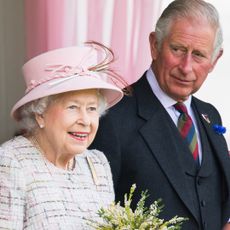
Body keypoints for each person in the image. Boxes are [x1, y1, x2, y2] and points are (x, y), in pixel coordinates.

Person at [90, 0, 230, 229]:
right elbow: (93, 215)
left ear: (214, 60)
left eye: (198, 55)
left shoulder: (210, 115)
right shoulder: (110, 117)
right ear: (154, 45)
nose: (186, 67)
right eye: (177, 49)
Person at [0, 42, 126, 229]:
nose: (85, 120)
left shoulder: (97, 164)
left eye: (91, 109)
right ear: (40, 114)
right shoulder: (11, 161)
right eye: (73, 107)